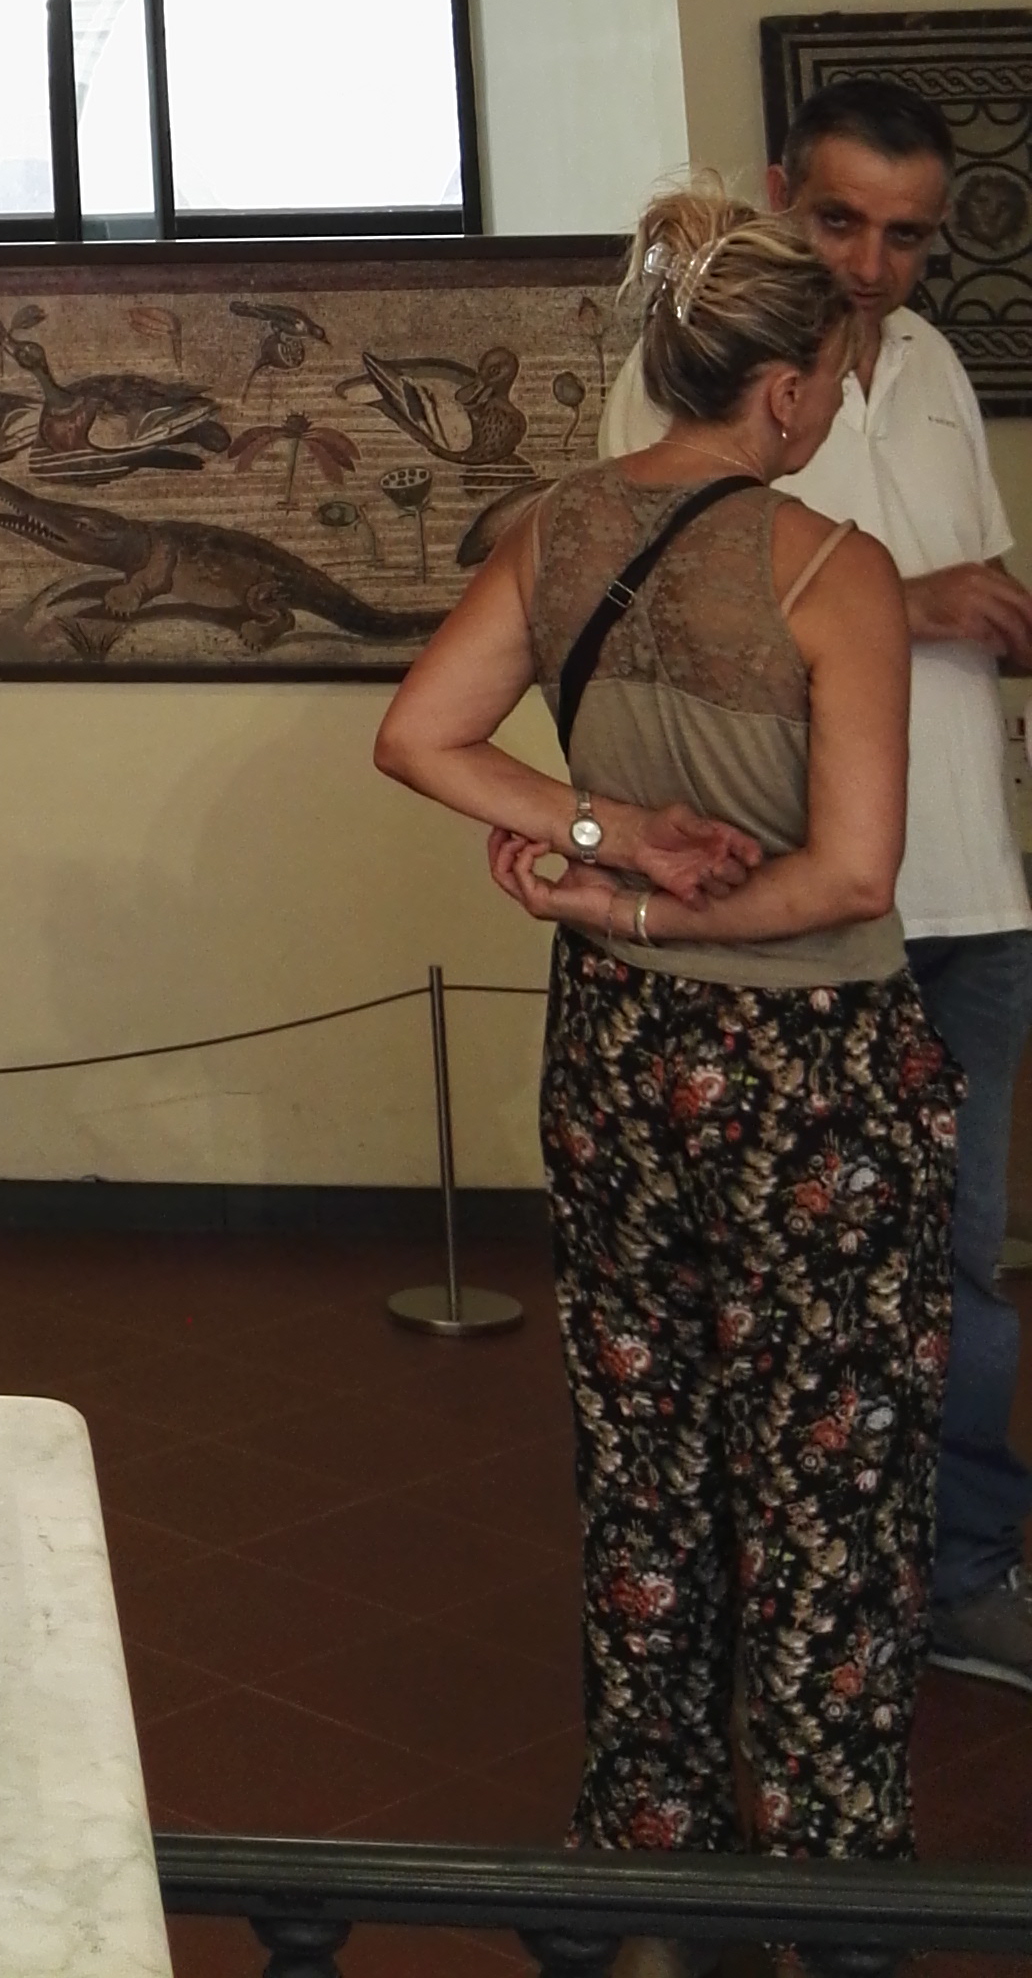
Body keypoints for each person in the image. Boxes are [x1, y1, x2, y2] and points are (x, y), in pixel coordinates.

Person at [377, 185, 955, 1859]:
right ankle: (824, 1877)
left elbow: (420, 736)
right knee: (828, 1486)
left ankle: (653, 1847)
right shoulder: (835, 571)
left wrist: (601, 838)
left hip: (618, 1060)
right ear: (783, 389)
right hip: (813, 1084)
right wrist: (635, 887)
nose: (831, 402)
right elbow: (850, 875)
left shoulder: (558, 531)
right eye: (831, 376)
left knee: (648, 1460)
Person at [603, 76, 1032, 1689]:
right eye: (841, 220)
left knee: (963, 1271)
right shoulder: (689, 369)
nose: (871, 265)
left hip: (972, 899)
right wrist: (907, 603)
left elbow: (969, 592)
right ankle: (783, 1596)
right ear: (782, 191)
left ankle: (961, 1573)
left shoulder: (934, 366)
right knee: (776, 1277)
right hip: (796, 907)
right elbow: (653, 601)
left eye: (907, 236)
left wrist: (989, 613)